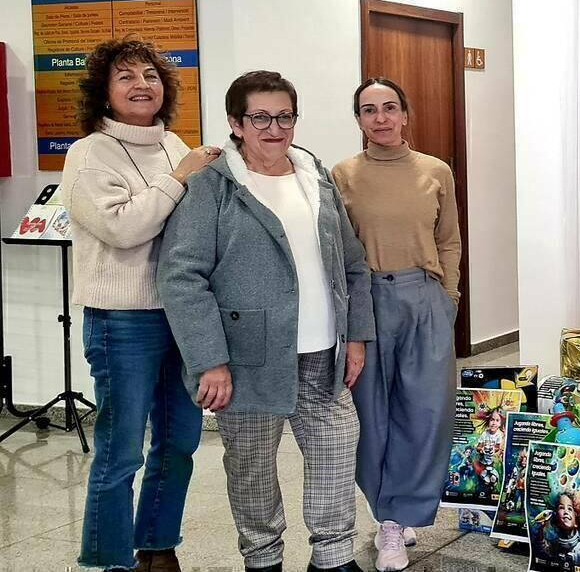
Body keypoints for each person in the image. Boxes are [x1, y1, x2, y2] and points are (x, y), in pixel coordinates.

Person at [157, 71, 374, 572]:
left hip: (323, 354)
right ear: (236, 123)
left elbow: (353, 262)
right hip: (245, 359)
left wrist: (356, 336)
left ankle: (333, 558)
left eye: (284, 116)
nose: (274, 129)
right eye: (260, 117)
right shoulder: (212, 186)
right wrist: (210, 360)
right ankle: (262, 559)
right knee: (252, 469)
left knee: (336, 452)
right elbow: (182, 277)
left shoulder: (314, 175)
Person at [61, 37, 219, 572]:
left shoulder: (175, 144)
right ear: (103, 92)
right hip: (122, 319)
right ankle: (111, 560)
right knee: (121, 449)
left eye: (150, 75)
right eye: (126, 76)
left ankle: (157, 545)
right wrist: (179, 180)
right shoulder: (88, 154)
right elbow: (123, 228)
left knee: (179, 441)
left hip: (182, 314)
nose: (141, 84)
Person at [331, 77, 462, 572]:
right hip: (367, 302)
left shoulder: (436, 171)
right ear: (359, 120)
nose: (381, 117)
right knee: (370, 415)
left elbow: (449, 239)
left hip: (424, 297)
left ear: (406, 115)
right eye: (369, 110)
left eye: (390, 108)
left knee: (425, 411)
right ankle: (388, 516)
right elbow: (339, 252)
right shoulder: (342, 175)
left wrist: (447, 298)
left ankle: (401, 509)